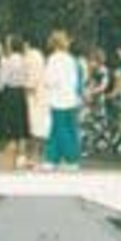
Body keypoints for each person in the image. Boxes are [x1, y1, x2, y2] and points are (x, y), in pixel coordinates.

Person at [43, 30, 84, 169]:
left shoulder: (53, 59)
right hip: (71, 99)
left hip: (57, 99)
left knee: (58, 130)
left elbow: (49, 80)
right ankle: (58, 158)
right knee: (68, 129)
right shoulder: (71, 59)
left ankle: (66, 158)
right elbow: (76, 80)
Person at [0, 35, 31, 170]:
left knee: (10, 130)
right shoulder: (24, 60)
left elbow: (1, 81)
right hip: (21, 93)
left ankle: (8, 159)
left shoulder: (8, 61)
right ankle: (21, 156)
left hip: (9, 94)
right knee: (20, 127)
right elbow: (27, 77)